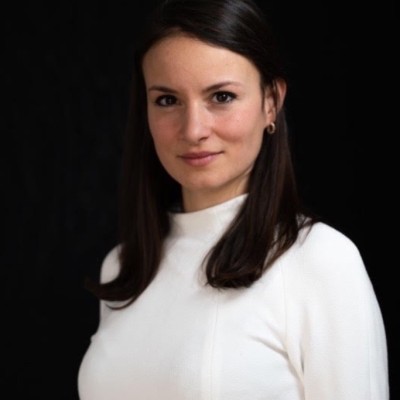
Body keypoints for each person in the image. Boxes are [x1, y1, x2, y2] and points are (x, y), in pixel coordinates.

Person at [77, 0, 389, 398]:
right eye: (167, 100)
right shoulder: (123, 268)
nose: (193, 129)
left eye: (221, 97)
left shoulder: (319, 262)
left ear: (271, 101)